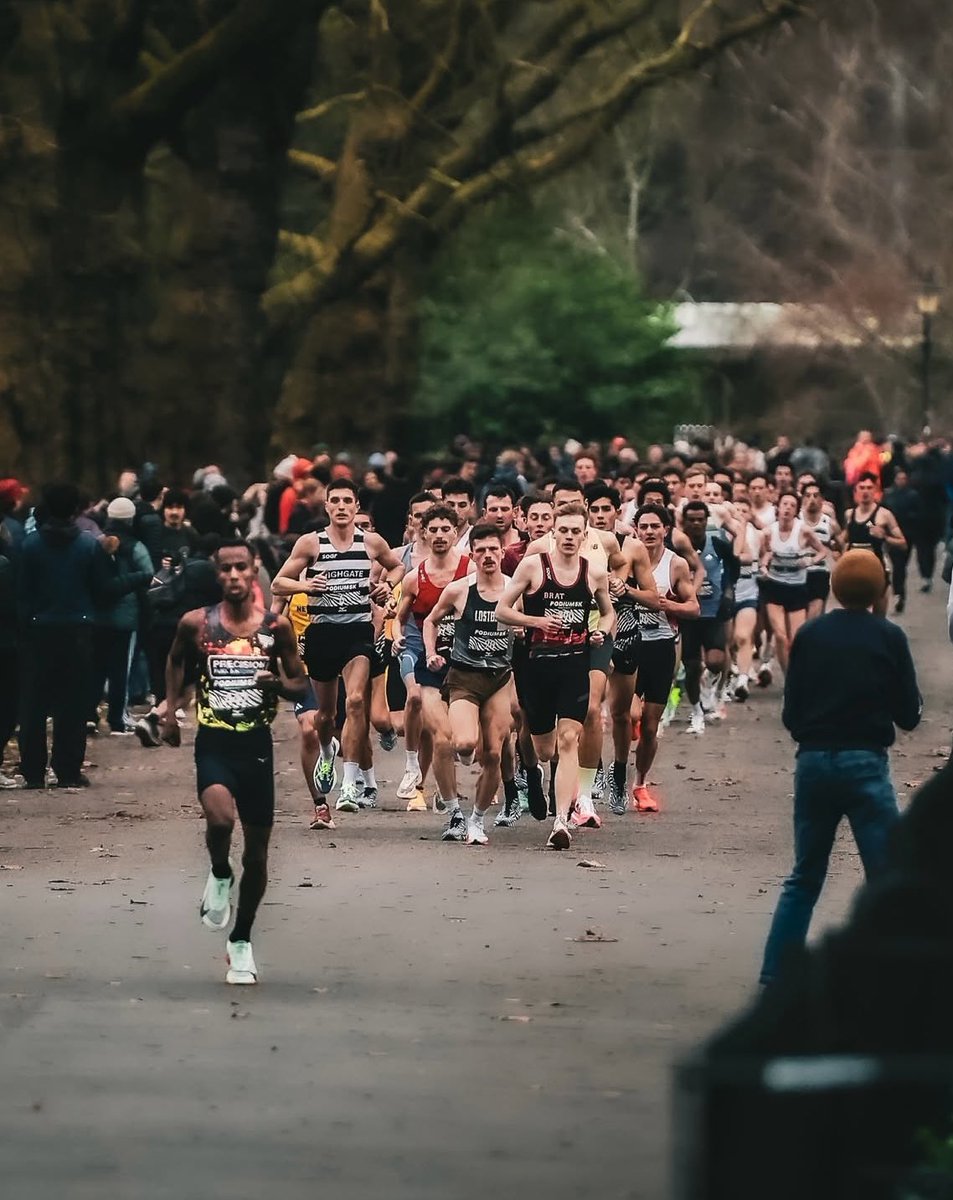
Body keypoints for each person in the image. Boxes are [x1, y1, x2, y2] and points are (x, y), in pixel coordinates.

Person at [759, 550, 922, 986]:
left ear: (834, 586)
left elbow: (792, 711)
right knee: (884, 876)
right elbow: (908, 714)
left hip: (813, 760)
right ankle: (892, 978)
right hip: (865, 760)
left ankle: (775, 972)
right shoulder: (888, 636)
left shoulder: (811, 634)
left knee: (805, 875)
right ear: (879, 589)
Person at [162, 539, 309, 985]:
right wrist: (170, 712)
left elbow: (300, 683)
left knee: (258, 855)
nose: (233, 575)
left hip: (256, 746)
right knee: (221, 819)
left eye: (240, 567)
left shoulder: (275, 627)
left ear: (253, 569)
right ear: (216, 574)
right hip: (214, 741)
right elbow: (174, 661)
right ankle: (220, 871)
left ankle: (241, 939)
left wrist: (275, 685)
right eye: (225, 569)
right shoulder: (196, 623)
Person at [272, 478, 404, 813]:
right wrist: (306, 586)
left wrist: (386, 586)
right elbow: (278, 583)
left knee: (356, 701)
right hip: (322, 633)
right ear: (327, 506)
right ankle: (327, 751)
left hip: (357, 632)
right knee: (326, 716)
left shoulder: (371, 542)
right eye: (336, 501)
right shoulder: (311, 543)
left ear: (357, 506)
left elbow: (397, 566)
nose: (342, 506)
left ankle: (349, 784)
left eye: (348, 501)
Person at [497, 502, 613, 850]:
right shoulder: (533, 566)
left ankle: (561, 821)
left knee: (569, 740)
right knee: (546, 749)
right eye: (563, 530)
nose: (569, 537)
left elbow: (608, 613)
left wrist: (601, 632)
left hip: (575, 665)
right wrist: (535, 621)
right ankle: (534, 771)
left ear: (585, 534)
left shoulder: (594, 572)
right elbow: (502, 610)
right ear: (553, 532)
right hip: (537, 666)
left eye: (576, 531)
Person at [17, 483, 146, 788]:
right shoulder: (88, 546)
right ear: (76, 510)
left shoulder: (30, 545)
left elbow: (22, 592)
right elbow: (104, 590)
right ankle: (68, 769)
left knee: (34, 704)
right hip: (79, 630)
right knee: (73, 703)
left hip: (39, 630)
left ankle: (33, 770)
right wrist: (137, 579)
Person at [423, 525, 514, 845]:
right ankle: (453, 811)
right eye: (481, 551)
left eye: (493, 550)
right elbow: (430, 620)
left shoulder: (515, 589)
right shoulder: (459, 590)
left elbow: (530, 627)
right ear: (472, 555)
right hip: (464, 676)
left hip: (499, 678)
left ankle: (475, 820)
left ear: (502, 552)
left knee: (493, 754)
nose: (488, 556)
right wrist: (431, 652)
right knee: (462, 744)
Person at [393, 505, 472, 836]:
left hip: (468, 665)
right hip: (430, 665)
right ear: (423, 533)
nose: (439, 535)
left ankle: (454, 778)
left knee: (467, 745)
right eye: (433, 530)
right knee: (442, 738)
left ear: (455, 532)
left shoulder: (471, 569)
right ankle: (453, 812)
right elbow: (399, 620)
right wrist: (397, 638)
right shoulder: (414, 578)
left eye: (445, 529)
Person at [613, 505, 698, 813]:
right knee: (630, 713)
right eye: (644, 526)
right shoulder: (621, 558)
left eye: (655, 526)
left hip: (661, 645)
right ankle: (618, 770)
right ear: (635, 529)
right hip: (628, 644)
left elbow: (694, 607)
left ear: (666, 530)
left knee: (650, 726)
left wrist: (666, 605)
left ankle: (640, 784)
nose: (649, 532)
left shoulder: (675, 564)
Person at [88, 497, 154, 735]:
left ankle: (89, 715)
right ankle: (118, 717)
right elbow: (149, 574)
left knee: (96, 669)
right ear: (130, 519)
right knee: (121, 671)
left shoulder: (96, 543)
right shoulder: (136, 547)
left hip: (97, 617)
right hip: (125, 617)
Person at [679, 501, 737, 735]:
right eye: (691, 519)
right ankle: (696, 711)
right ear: (684, 522)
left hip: (713, 611)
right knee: (692, 666)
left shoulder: (718, 544)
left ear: (706, 521)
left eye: (700, 519)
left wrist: (728, 593)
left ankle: (709, 685)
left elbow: (733, 567)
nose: (696, 523)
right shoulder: (678, 547)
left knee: (715, 661)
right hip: (687, 614)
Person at [757, 493, 828, 676]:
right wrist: (764, 566)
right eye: (784, 504)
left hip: (797, 588)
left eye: (792, 505)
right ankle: (788, 677)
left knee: (796, 638)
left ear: (796, 511)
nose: (787, 508)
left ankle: (798, 672)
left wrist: (810, 561)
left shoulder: (803, 531)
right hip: (775, 587)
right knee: (781, 636)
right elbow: (763, 554)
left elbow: (822, 551)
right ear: (778, 508)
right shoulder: (768, 532)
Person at [842, 473, 906, 617]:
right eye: (862, 487)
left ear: (875, 490)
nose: (865, 491)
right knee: (854, 615)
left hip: (877, 571)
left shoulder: (884, 515)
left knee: (879, 618)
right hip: (854, 571)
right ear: (856, 491)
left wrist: (885, 537)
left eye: (869, 488)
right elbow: (844, 540)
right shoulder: (849, 514)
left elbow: (903, 544)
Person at [881, 467, 922, 614]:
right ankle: (899, 593)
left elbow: (919, 514)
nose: (901, 481)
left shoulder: (913, 495)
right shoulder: (888, 495)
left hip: (907, 534)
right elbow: (882, 512)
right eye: (899, 478)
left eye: (904, 479)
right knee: (897, 565)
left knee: (901, 565)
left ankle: (899, 593)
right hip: (891, 536)